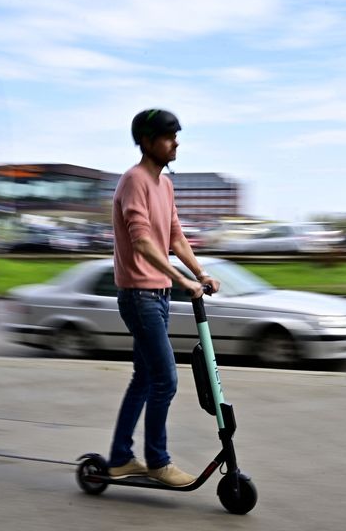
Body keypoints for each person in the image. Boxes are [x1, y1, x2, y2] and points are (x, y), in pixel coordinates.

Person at [107, 108, 221, 487]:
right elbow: (141, 241)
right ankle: (158, 461)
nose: (176, 143)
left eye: (177, 136)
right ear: (146, 141)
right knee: (165, 380)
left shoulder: (164, 185)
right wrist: (180, 279)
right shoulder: (133, 181)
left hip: (158, 295)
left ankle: (120, 458)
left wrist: (200, 273)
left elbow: (173, 236)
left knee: (144, 377)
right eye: (169, 136)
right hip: (139, 295)